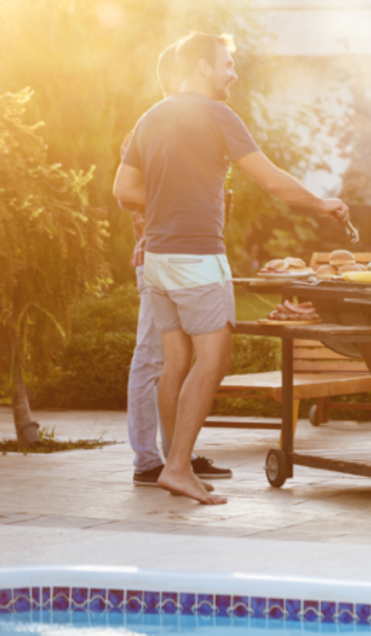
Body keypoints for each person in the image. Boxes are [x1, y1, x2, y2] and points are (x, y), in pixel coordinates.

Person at [113, 32, 349, 504]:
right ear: (201, 66)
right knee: (215, 360)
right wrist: (322, 203)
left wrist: (171, 196)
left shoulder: (151, 117)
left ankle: (172, 464)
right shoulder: (218, 114)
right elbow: (271, 182)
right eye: (226, 65)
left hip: (157, 259)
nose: (233, 74)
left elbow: (123, 189)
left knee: (176, 362)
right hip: (197, 258)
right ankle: (177, 466)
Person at [122, 43, 232, 488]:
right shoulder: (157, 124)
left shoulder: (186, 126)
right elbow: (130, 192)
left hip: (173, 254)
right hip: (163, 256)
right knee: (153, 358)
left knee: (177, 360)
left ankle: (175, 458)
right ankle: (151, 460)